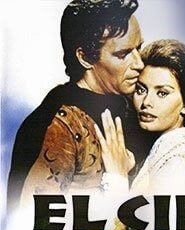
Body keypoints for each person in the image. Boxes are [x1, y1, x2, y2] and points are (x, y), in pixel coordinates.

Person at [6, 0, 153, 209]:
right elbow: (31, 227)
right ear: (84, 57)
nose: (139, 63)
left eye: (139, 48)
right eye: (123, 54)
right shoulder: (54, 124)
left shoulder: (137, 106)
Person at [97, 39, 185, 197]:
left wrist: (117, 180)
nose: (146, 102)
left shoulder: (179, 166)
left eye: (162, 93)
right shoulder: (165, 157)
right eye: (141, 90)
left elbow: (129, 222)